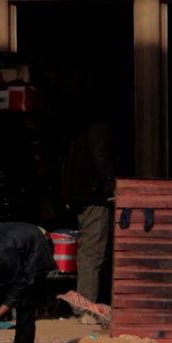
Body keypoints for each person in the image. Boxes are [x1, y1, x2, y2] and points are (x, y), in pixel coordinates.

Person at [60, 119, 117, 305]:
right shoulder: (97, 129)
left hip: (81, 196)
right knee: (92, 253)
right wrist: (111, 187)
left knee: (89, 251)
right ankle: (86, 306)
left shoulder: (79, 133)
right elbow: (102, 160)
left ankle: (85, 302)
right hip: (93, 197)